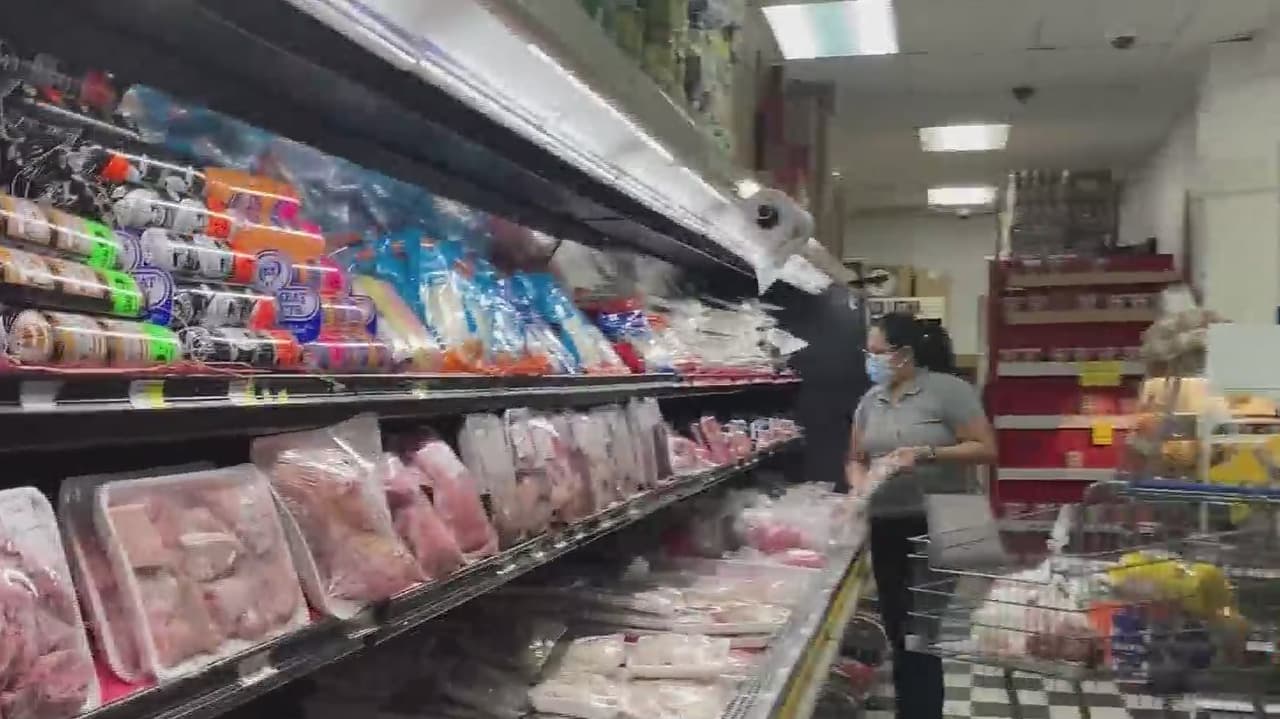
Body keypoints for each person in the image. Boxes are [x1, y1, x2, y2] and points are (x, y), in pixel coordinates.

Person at [846, 313, 996, 719]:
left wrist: (926, 453)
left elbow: (985, 448)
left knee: (923, 631)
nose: (871, 360)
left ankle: (921, 711)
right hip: (887, 521)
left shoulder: (948, 390)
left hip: (946, 517)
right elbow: (856, 458)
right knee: (899, 629)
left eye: (878, 351)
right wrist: (859, 487)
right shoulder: (870, 401)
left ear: (904, 353)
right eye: (868, 352)